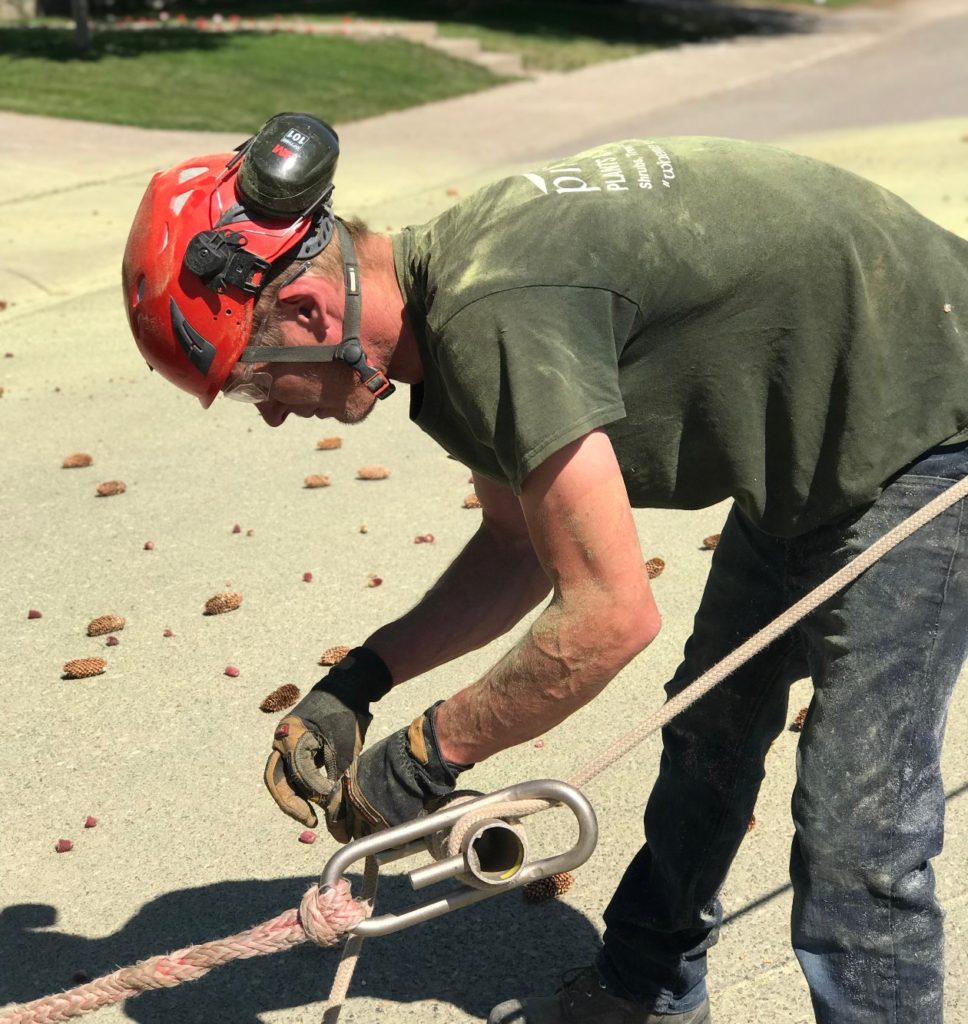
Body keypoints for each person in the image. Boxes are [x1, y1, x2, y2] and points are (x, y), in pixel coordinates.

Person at [121, 112, 968, 1024]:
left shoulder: (492, 316)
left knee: (855, 828)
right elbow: (518, 548)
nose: (273, 416)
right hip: (816, 439)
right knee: (710, 737)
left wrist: (427, 756)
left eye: (255, 382)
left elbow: (609, 618)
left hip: (927, 422)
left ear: (307, 312)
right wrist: (361, 681)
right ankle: (645, 989)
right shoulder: (449, 302)